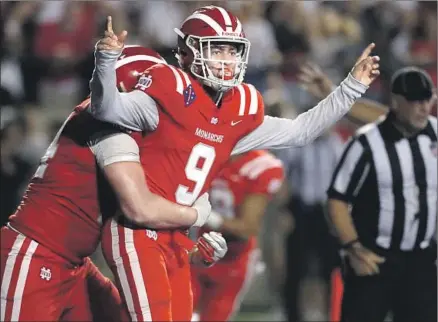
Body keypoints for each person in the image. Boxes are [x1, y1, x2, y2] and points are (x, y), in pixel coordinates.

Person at [90, 6, 380, 321]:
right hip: (138, 229)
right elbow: (106, 109)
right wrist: (105, 63)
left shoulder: (236, 110)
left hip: (177, 237)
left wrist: (351, 87)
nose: (227, 59)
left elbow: (301, 131)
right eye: (217, 48)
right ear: (188, 52)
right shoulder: (165, 92)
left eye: (232, 50)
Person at [0, 46, 215, 322]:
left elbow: (141, 227)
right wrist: (196, 214)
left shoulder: (127, 133)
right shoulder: (108, 126)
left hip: (72, 266)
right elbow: (140, 208)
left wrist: (189, 251)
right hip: (35, 255)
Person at [327, 66, 437, 322]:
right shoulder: (366, 143)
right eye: (415, 101)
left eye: (427, 99)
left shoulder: (435, 133)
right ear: (397, 102)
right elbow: (337, 198)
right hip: (375, 258)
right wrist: (353, 248)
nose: (423, 107)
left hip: (420, 261)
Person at [191, 150, 285, 321]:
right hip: (199, 250)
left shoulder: (260, 165)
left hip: (234, 257)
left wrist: (205, 216)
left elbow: (247, 228)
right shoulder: (209, 149)